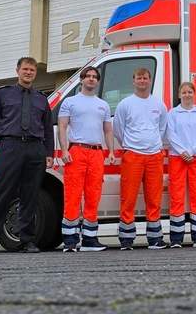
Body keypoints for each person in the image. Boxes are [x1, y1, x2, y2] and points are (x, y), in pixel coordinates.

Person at [0, 57, 54, 255]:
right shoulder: (4, 94)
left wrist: (48, 153)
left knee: (30, 196)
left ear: (35, 73)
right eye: (25, 69)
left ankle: (27, 241)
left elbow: (48, 129)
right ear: (18, 71)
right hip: (10, 146)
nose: (29, 72)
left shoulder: (41, 99)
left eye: (32, 70)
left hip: (35, 149)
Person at [57, 66, 115, 253]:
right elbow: (62, 127)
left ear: (97, 81)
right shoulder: (70, 102)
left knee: (93, 195)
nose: (91, 79)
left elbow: (108, 130)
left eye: (94, 77)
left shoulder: (103, 105)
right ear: (81, 80)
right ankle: (70, 241)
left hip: (97, 153)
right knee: (72, 195)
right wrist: (64, 150)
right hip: (77, 151)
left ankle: (90, 240)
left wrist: (111, 151)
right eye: (87, 76)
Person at [113, 67, 168, 250]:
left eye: (145, 78)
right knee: (128, 198)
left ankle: (155, 239)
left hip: (154, 155)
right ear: (133, 80)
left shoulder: (159, 105)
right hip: (133, 155)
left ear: (150, 80)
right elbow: (118, 130)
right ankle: (127, 239)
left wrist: (153, 144)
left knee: (154, 198)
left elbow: (161, 129)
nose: (142, 81)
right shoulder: (125, 104)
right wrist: (131, 145)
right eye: (139, 78)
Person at [166, 82, 196, 248]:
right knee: (177, 196)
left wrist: (190, 152)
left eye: (190, 92)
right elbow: (171, 134)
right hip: (177, 157)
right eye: (184, 92)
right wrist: (183, 151)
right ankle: (176, 238)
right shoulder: (173, 113)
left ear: (194, 94)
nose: (187, 95)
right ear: (179, 95)